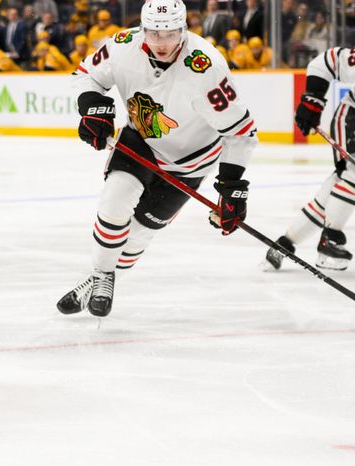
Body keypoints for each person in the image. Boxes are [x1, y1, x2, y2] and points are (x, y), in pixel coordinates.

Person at [57, 0, 258, 317]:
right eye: (153, 33)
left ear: (184, 29)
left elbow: (241, 131)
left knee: (140, 232)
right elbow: (85, 74)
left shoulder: (207, 70)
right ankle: (101, 275)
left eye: (170, 33)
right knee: (114, 201)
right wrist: (94, 107)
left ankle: (97, 279)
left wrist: (232, 186)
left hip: (191, 160)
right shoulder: (123, 45)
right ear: (142, 29)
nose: (161, 42)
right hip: (141, 141)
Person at [263, 47, 355, 271]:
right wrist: (312, 100)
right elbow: (327, 61)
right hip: (352, 118)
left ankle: (286, 242)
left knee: (339, 185)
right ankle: (329, 239)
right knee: (353, 175)